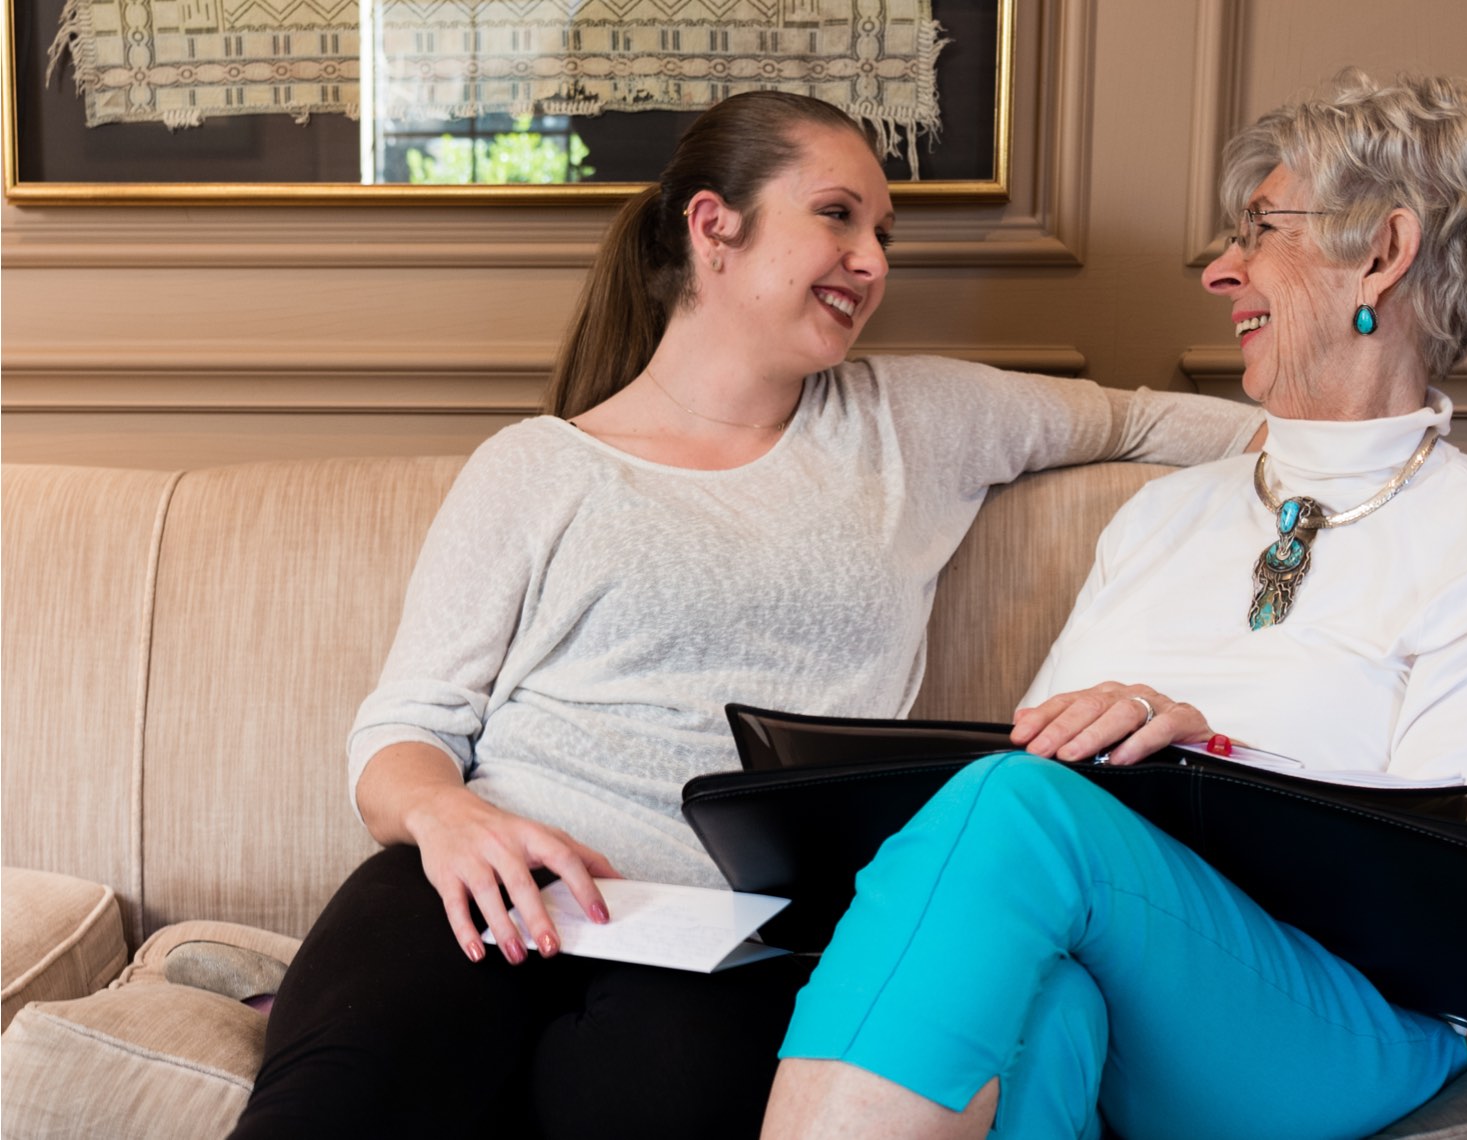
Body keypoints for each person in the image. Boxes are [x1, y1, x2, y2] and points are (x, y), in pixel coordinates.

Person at [228, 92, 1261, 1138]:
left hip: (731, 936)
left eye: (882, 235)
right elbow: (406, 725)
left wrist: (1389, 454)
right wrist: (447, 818)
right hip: (483, 894)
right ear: (714, 226)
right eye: (838, 216)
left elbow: (1141, 419)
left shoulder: (916, 423)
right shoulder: (533, 468)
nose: (872, 260)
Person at [763, 71, 1467, 1140]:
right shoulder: (1164, 516)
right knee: (1042, 1003)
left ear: (1382, 253)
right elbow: (1042, 767)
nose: (1220, 270)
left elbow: (1438, 879)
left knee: (1009, 808)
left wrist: (1206, 752)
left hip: (1343, 1027)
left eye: (1259, 229)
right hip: (1132, 989)